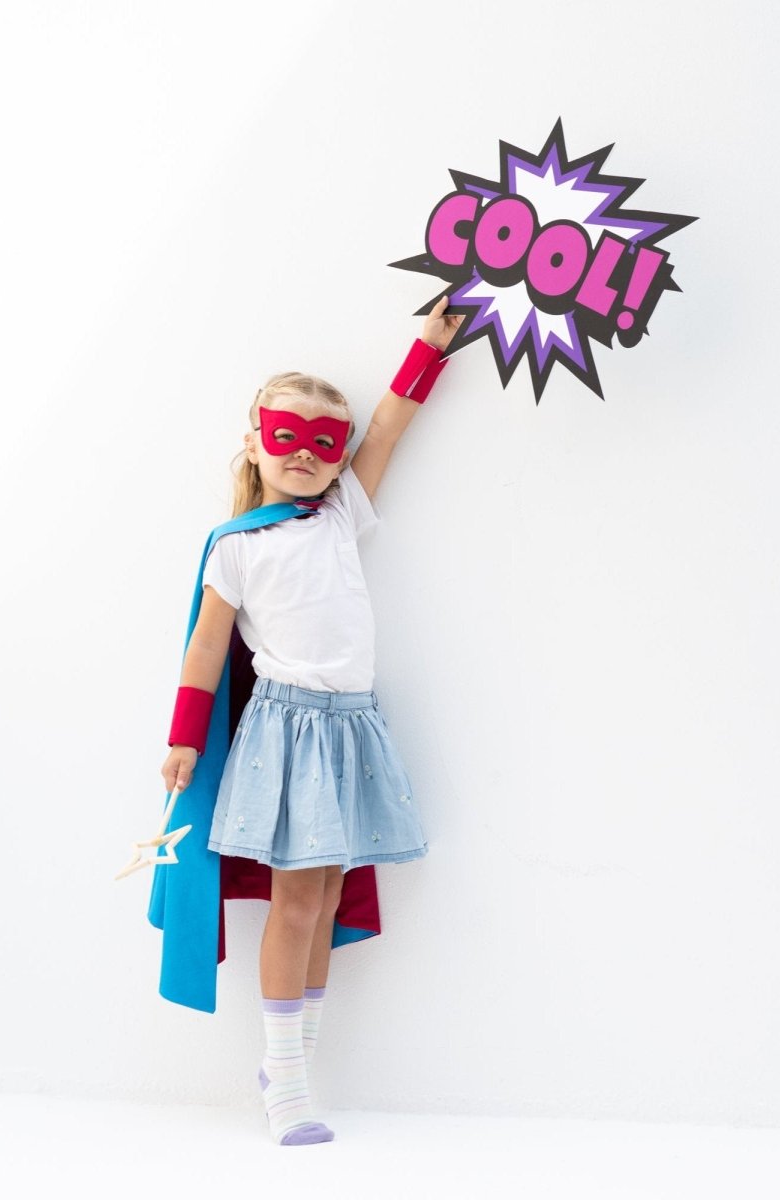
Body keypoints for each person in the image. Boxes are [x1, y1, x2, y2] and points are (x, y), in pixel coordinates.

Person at [158, 297, 462, 1146]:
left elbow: (389, 428)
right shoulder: (236, 544)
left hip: (350, 727)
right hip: (285, 731)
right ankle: (284, 1079)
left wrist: (428, 347)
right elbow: (206, 646)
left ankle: (294, 1064)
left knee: (325, 898)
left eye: (325, 442)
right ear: (254, 442)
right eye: (286, 436)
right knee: (295, 902)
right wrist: (184, 737)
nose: (305, 454)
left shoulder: (340, 511)